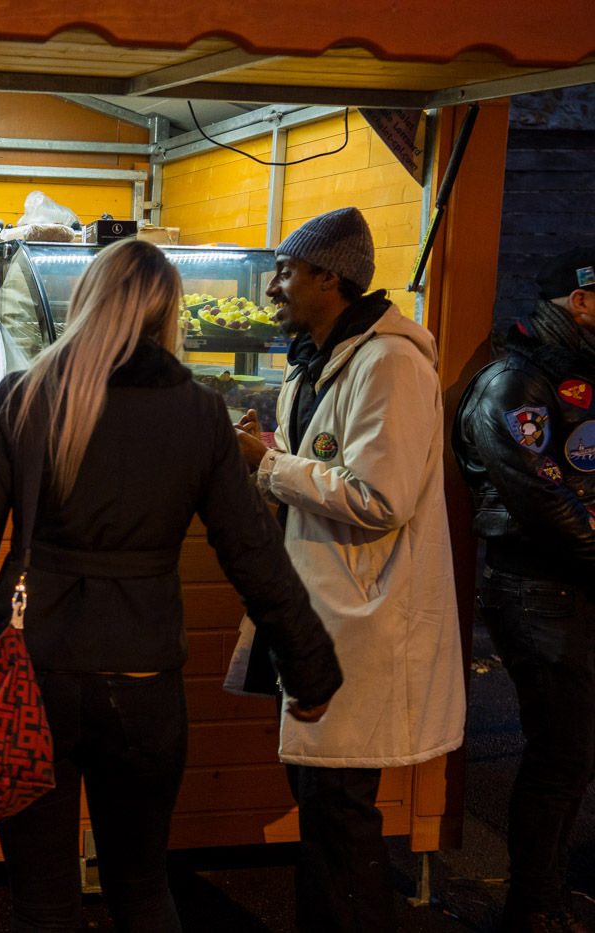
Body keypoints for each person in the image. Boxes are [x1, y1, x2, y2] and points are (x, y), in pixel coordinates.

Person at [0, 238, 344, 933]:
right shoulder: (199, 413)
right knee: (141, 887)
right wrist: (310, 667)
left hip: (31, 673)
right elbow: (255, 558)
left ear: (84, 302)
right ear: (168, 315)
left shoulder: (25, 397)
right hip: (144, 676)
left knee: (42, 899)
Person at [229, 207, 467, 933]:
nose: (273, 287)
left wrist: (267, 465)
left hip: (365, 614)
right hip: (317, 611)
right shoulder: (321, 359)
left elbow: (380, 496)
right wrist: (274, 453)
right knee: (321, 808)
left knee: (339, 817)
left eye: (286, 272)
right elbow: (331, 464)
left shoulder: (390, 363)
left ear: (329, 277)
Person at [452, 245, 595, 933]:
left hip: (574, 582)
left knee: (576, 754)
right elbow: (540, 500)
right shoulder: (515, 381)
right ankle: (534, 907)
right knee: (562, 753)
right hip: (537, 588)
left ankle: (547, 896)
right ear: (583, 301)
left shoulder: (577, 370)